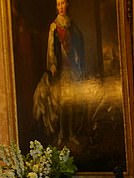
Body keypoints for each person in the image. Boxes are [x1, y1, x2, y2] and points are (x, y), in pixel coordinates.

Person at [33, 0, 84, 147]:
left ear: (67, 5)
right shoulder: (54, 27)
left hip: (71, 69)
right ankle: (62, 134)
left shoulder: (73, 26)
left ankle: (72, 134)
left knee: (72, 103)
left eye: (63, 3)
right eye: (58, 4)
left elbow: (77, 47)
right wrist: (53, 64)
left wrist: (77, 61)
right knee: (62, 103)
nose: (61, 7)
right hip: (60, 71)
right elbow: (51, 49)